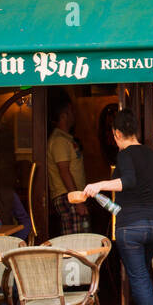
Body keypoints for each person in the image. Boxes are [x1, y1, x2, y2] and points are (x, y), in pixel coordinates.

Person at [82, 110, 153, 305]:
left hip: (131, 226)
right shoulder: (151, 155)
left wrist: (98, 185)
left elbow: (127, 181)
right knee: (143, 276)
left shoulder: (125, 155)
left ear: (117, 133)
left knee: (138, 278)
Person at [48, 99, 89, 235]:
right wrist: (77, 201)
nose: (74, 115)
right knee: (76, 241)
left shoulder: (66, 138)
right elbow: (63, 171)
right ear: (64, 115)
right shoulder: (59, 140)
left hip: (73, 195)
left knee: (81, 237)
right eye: (71, 111)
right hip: (68, 196)